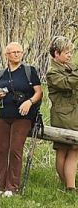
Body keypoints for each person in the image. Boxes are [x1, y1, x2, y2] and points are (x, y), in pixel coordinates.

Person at [0, 42, 43, 196]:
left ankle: (12, 186)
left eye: (19, 52)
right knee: (1, 150)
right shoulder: (1, 74)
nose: (16, 54)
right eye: (12, 52)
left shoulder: (29, 71)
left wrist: (29, 102)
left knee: (15, 149)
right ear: (6, 55)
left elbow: (39, 92)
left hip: (22, 117)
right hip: (4, 115)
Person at [46, 36, 78, 191]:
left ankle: (68, 186)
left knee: (72, 149)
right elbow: (67, 83)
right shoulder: (52, 72)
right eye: (66, 52)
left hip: (73, 114)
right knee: (65, 148)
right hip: (63, 116)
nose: (69, 56)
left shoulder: (69, 67)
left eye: (70, 53)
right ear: (56, 54)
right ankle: (69, 186)